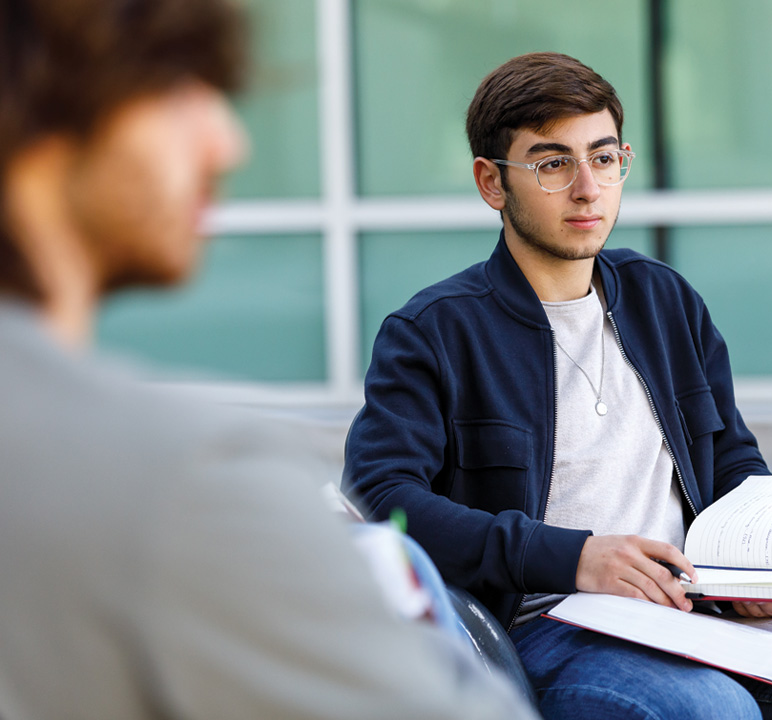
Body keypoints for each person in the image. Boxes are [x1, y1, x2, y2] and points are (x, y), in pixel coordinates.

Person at [343, 51, 772, 719]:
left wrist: (756, 568)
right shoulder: (435, 331)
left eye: (604, 158)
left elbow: (729, 457)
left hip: (696, 608)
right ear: (491, 182)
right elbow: (383, 498)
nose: (588, 188)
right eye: (553, 164)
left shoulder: (662, 299)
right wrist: (574, 558)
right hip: (546, 627)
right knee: (711, 710)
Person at [0, 1, 538, 718]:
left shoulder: (656, 304)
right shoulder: (187, 481)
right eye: (176, 88)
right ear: (40, 105)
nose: (228, 143)